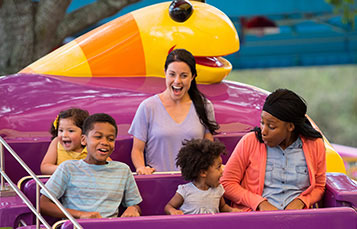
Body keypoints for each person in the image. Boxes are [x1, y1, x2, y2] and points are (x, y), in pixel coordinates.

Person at [221, 89, 326, 212]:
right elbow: (227, 183)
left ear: (291, 127)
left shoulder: (314, 144)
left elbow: (319, 187)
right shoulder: (249, 141)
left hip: (297, 218)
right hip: (256, 218)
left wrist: (302, 201)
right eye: (262, 123)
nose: (264, 131)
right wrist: (259, 203)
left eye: (271, 126)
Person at [129, 49, 219, 174]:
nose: (177, 81)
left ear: (192, 77)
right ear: (165, 73)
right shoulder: (148, 107)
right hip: (158, 182)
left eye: (184, 75)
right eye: (172, 74)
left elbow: (209, 150)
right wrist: (141, 168)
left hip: (195, 184)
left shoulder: (205, 106)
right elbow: (137, 150)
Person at [40, 113, 142, 219]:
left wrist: (133, 208)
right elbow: (43, 204)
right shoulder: (68, 168)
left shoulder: (123, 170)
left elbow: (134, 205)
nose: (105, 142)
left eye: (110, 139)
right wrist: (81, 215)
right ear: (84, 140)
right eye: (98, 137)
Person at [164, 139, 240, 215]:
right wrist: (173, 211)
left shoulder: (218, 190)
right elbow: (169, 206)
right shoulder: (185, 191)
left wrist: (231, 210)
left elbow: (222, 207)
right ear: (203, 172)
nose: (222, 171)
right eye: (218, 167)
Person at [40, 108, 89, 175]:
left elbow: (107, 166)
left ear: (84, 133)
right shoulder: (56, 142)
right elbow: (45, 168)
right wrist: (66, 169)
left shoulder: (91, 146)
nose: (64, 135)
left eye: (71, 131)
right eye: (61, 130)